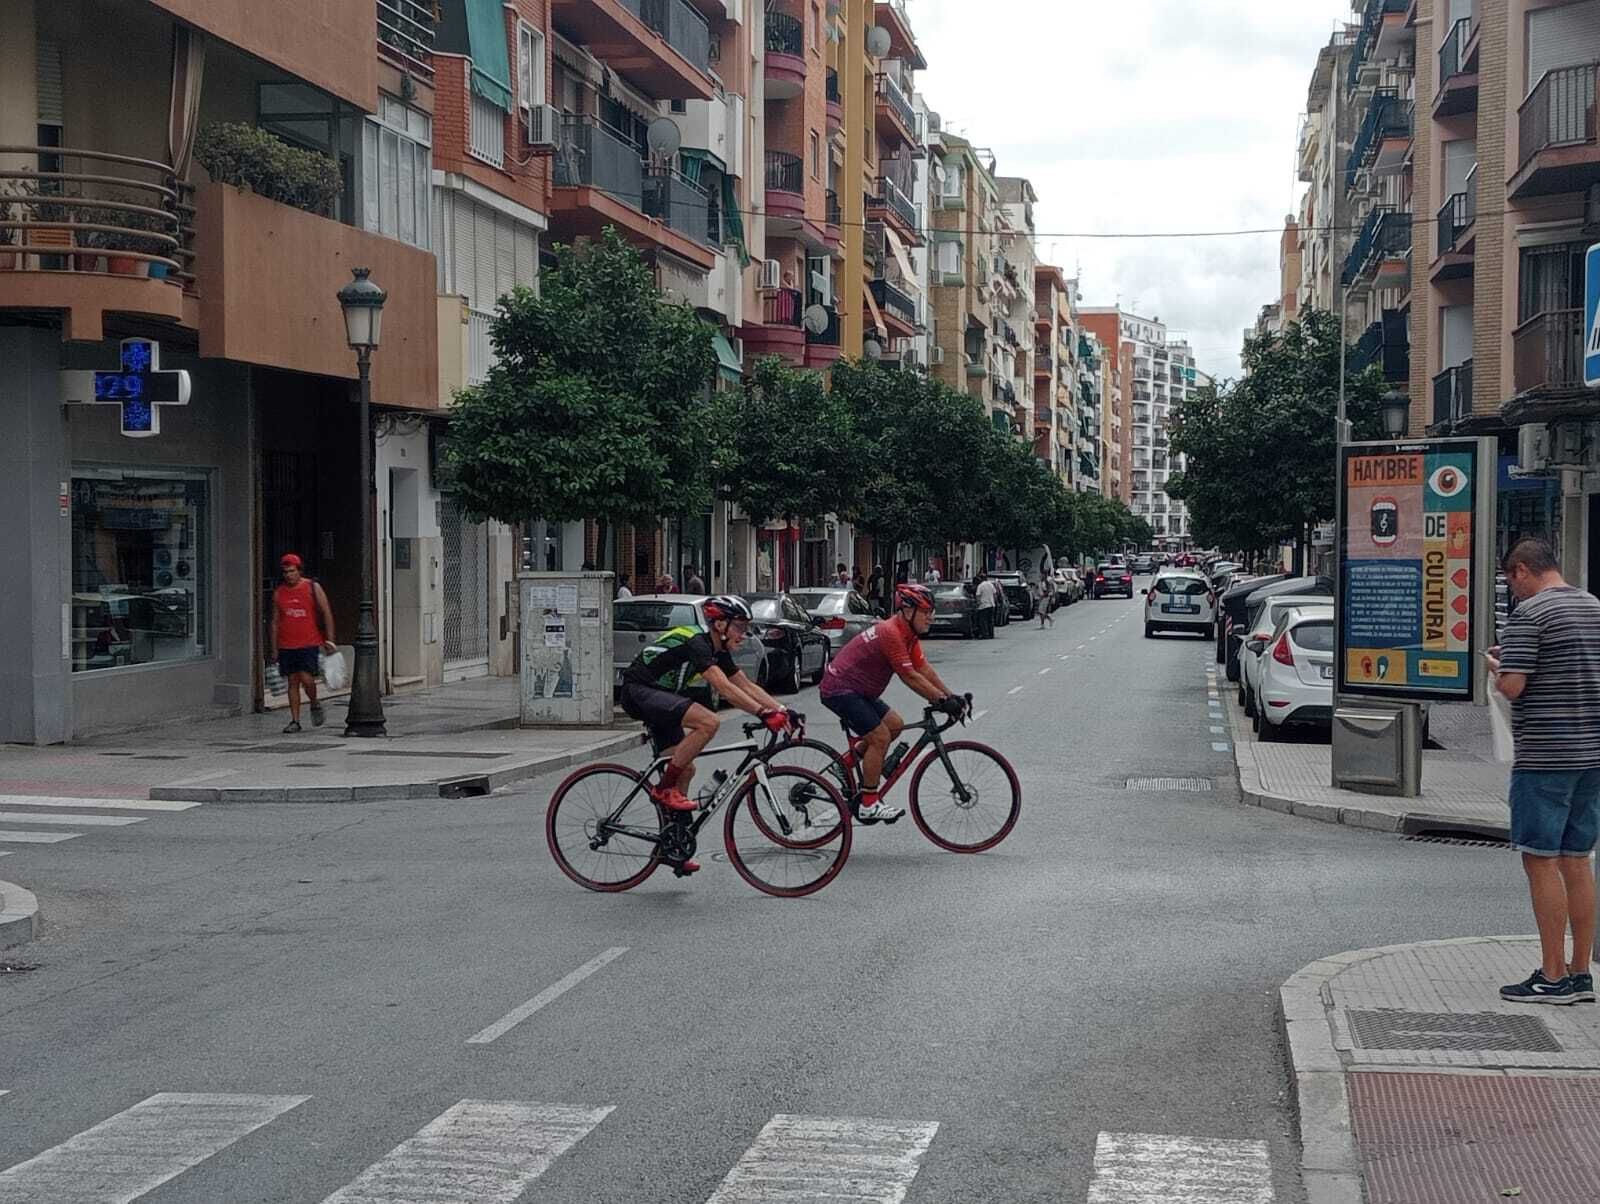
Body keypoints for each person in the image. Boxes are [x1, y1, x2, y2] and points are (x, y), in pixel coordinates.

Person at [1489, 539, 1600, 1004]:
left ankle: (1551, 976)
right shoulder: (1593, 606)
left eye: (1511, 581)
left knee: (1540, 860)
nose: (1513, 591)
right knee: (1578, 861)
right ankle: (1580, 972)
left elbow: (1513, 687)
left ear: (1520, 571)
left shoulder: (1530, 615)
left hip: (1544, 757)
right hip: (1591, 753)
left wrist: (1499, 667)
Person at [617, 595, 794, 873]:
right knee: (708, 722)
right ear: (720, 624)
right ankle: (664, 790)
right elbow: (724, 689)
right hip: (639, 691)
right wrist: (762, 714)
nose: (744, 634)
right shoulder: (697, 642)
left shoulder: (716, 649)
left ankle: (672, 846)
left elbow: (743, 683)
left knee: (685, 769)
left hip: (662, 696)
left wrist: (782, 709)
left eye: (746, 627)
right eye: (739, 626)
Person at [819, 583, 967, 823]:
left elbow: (923, 669)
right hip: (840, 688)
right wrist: (940, 700)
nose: (931, 617)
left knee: (895, 725)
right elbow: (909, 676)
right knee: (879, 737)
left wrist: (950, 696)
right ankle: (868, 803)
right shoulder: (891, 633)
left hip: (860, 690)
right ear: (908, 611)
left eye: (932, 612)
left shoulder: (909, 635)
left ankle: (844, 765)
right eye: (927, 612)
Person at [269, 553, 336, 734]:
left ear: (299, 571)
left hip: (308, 642)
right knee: (292, 681)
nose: (288, 575)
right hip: (286, 644)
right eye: (285, 572)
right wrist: (274, 648)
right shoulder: (279, 593)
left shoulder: (312, 588)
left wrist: (330, 639)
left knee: (307, 678)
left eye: (292, 571)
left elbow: (326, 612)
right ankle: (295, 720)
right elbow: (275, 621)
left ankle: (314, 702)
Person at [973, 572, 998, 640]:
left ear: (980, 579)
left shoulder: (980, 586)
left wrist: (977, 604)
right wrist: (994, 602)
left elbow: (978, 596)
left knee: (983, 621)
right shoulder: (991, 585)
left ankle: (985, 634)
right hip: (991, 605)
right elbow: (995, 594)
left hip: (983, 606)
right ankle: (991, 634)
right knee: (990, 621)